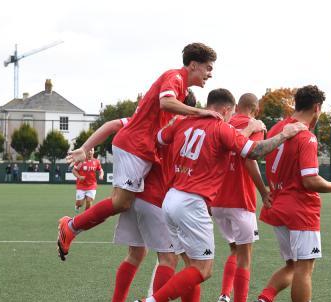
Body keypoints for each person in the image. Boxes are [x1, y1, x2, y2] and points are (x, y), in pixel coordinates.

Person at [132, 88, 307, 302]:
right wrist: (284, 134)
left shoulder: (184, 121)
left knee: (192, 266)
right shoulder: (219, 127)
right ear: (226, 110)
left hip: (170, 198)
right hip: (192, 202)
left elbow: (159, 138)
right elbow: (255, 151)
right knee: (203, 269)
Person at [58, 43, 222, 261]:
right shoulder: (175, 77)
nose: (210, 74)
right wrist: (200, 112)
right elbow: (166, 102)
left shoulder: (177, 91)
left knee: (135, 243)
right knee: (120, 203)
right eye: (208, 68)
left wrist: (85, 148)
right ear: (193, 65)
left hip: (137, 150)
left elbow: (117, 123)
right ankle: (70, 227)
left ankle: (72, 227)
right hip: (133, 147)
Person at [248, 85, 331, 302]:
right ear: (317, 108)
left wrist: (266, 190)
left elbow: (256, 157)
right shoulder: (306, 137)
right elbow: (309, 180)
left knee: (293, 265)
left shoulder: (277, 130)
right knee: (305, 268)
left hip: (278, 204)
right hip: (301, 209)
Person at [102, 90, 198, 302]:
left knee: (136, 253)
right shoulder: (181, 130)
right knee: (169, 259)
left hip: (134, 194)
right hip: (155, 198)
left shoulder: (148, 124)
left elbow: (115, 125)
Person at [211, 93, 269, 302]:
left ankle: (225, 294)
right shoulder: (254, 125)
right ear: (254, 110)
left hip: (217, 200)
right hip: (240, 199)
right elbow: (249, 158)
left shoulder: (222, 124)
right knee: (245, 256)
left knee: (234, 249)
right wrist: (264, 191)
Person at [73, 149, 104, 213]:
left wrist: (101, 175)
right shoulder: (80, 161)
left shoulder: (96, 161)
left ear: (93, 151)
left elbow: (101, 170)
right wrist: (79, 177)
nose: (90, 152)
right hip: (81, 185)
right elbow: (74, 170)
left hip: (92, 185)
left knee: (89, 201)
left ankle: (85, 215)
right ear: (85, 151)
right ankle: (77, 206)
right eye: (88, 150)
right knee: (80, 203)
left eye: (91, 150)